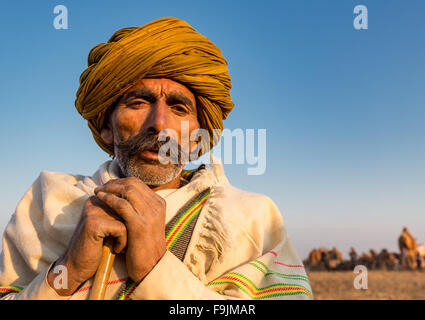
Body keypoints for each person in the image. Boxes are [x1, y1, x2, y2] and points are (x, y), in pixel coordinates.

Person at [0, 17, 312, 300]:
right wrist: (68, 270)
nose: (159, 123)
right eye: (138, 102)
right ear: (106, 127)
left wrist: (156, 270)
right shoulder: (49, 201)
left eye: (179, 109)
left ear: (197, 137)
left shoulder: (253, 219)